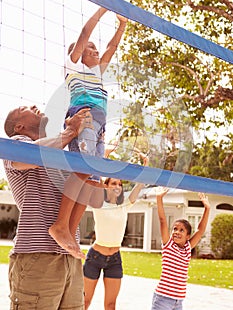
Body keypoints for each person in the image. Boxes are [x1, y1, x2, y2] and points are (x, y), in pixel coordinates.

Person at [49, 6, 128, 258]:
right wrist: (103, 7)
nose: (95, 50)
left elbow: (111, 49)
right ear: (79, 54)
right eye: (89, 48)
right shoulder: (73, 68)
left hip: (100, 127)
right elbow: (85, 33)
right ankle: (60, 224)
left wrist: (122, 25)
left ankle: (69, 232)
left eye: (96, 48)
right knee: (82, 170)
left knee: (93, 180)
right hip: (83, 121)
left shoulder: (97, 74)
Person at [3, 104, 91, 310]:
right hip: (37, 255)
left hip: (70, 256)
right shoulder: (14, 144)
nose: (34, 106)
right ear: (19, 126)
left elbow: (81, 181)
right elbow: (32, 154)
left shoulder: (57, 153)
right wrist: (69, 131)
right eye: (24, 108)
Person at [83, 153, 149, 310]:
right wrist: (103, 156)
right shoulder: (98, 202)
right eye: (113, 183)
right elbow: (96, 178)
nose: (117, 187)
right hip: (95, 257)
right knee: (85, 302)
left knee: (111, 305)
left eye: (120, 184)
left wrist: (145, 167)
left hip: (115, 259)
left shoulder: (124, 205)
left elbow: (139, 185)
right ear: (106, 186)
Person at [151, 187, 210, 310]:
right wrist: (159, 198)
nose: (177, 232)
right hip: (162, 299)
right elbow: (162, 221)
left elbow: (200, 230)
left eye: (181, 230)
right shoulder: (168, 245)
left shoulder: (187, 248)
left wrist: (207, 208)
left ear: (188, 236)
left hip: (178, 301)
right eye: (175, 229)